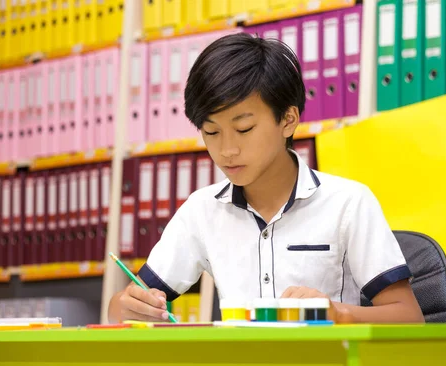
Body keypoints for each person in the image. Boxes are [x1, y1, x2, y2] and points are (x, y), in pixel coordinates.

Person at [108, 33, 424, 324]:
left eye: (244, 129)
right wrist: (126, 305)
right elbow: (124, 306)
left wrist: (335, 312)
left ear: (288, 120)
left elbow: (409, 317)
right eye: (211, 132)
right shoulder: (201, 211)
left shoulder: (348, 203)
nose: (227, 149)